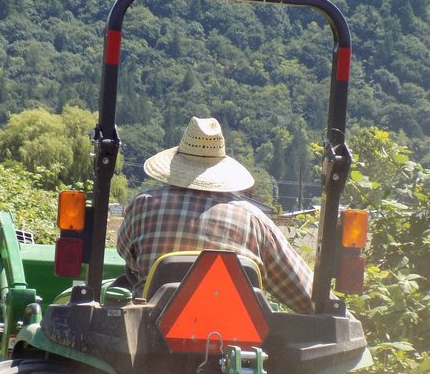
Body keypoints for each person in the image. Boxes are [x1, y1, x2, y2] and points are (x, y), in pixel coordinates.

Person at [116, 117, 314, 313]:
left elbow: (128, 256)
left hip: (149, 334)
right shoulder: (254, 219)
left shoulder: (144, 204)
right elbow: (306, 296)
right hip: (232, 338)